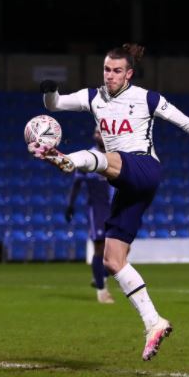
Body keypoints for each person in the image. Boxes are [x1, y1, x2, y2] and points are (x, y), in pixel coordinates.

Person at [31, 43, 189, 361]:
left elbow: (186, 122)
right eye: (106, 69)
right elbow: (55, 104)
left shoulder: (146, 98)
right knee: (112, 259)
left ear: (129, 73)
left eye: (116, 71)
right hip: (126, 183)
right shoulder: (93, 97)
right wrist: (49, 92)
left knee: (98, 158)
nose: (110, 75)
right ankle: (153, 322)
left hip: (143, 168)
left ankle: (66, 161)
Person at [65, 129, 115, 304]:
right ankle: (102, 292)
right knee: (100, 249)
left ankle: (99, 276)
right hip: (97, 209)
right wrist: (70, 205)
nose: (97, 135)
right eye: (95, 132)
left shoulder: (115, 155)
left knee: (122, 249)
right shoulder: (89, 156)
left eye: (101, 132)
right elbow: (77, 183)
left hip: (114, 209)